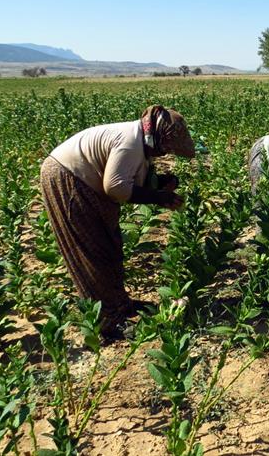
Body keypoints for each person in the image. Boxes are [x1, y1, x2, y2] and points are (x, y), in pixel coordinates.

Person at [40, 105, 195, 340]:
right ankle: (108, 323)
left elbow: (133, 179)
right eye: (166, 149)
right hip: (68, 178)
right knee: (92, 252)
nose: (165, 154)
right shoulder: (130, 143)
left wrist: (163, 182)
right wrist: (158, 198)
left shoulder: (141, 145)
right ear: (157, 137)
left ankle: (119, 303)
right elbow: (115, 187)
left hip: (84, 181)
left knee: (110, 246)